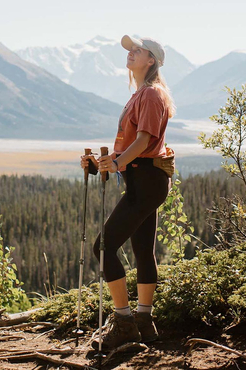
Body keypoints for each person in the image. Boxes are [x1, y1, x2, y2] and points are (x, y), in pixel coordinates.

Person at [80, 35, 176, 351]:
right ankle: (144, 321)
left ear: (151, 60)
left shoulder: (149, 95)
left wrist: (117, 162)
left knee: (103, 247)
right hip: (144, 179)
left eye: (137, 50)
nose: (131, 53)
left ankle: (124, 322)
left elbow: (144, 142)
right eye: (130, 50)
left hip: (145, 180)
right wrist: (99, 164)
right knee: (142, 251)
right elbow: (130, 148)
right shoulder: (141, 95)